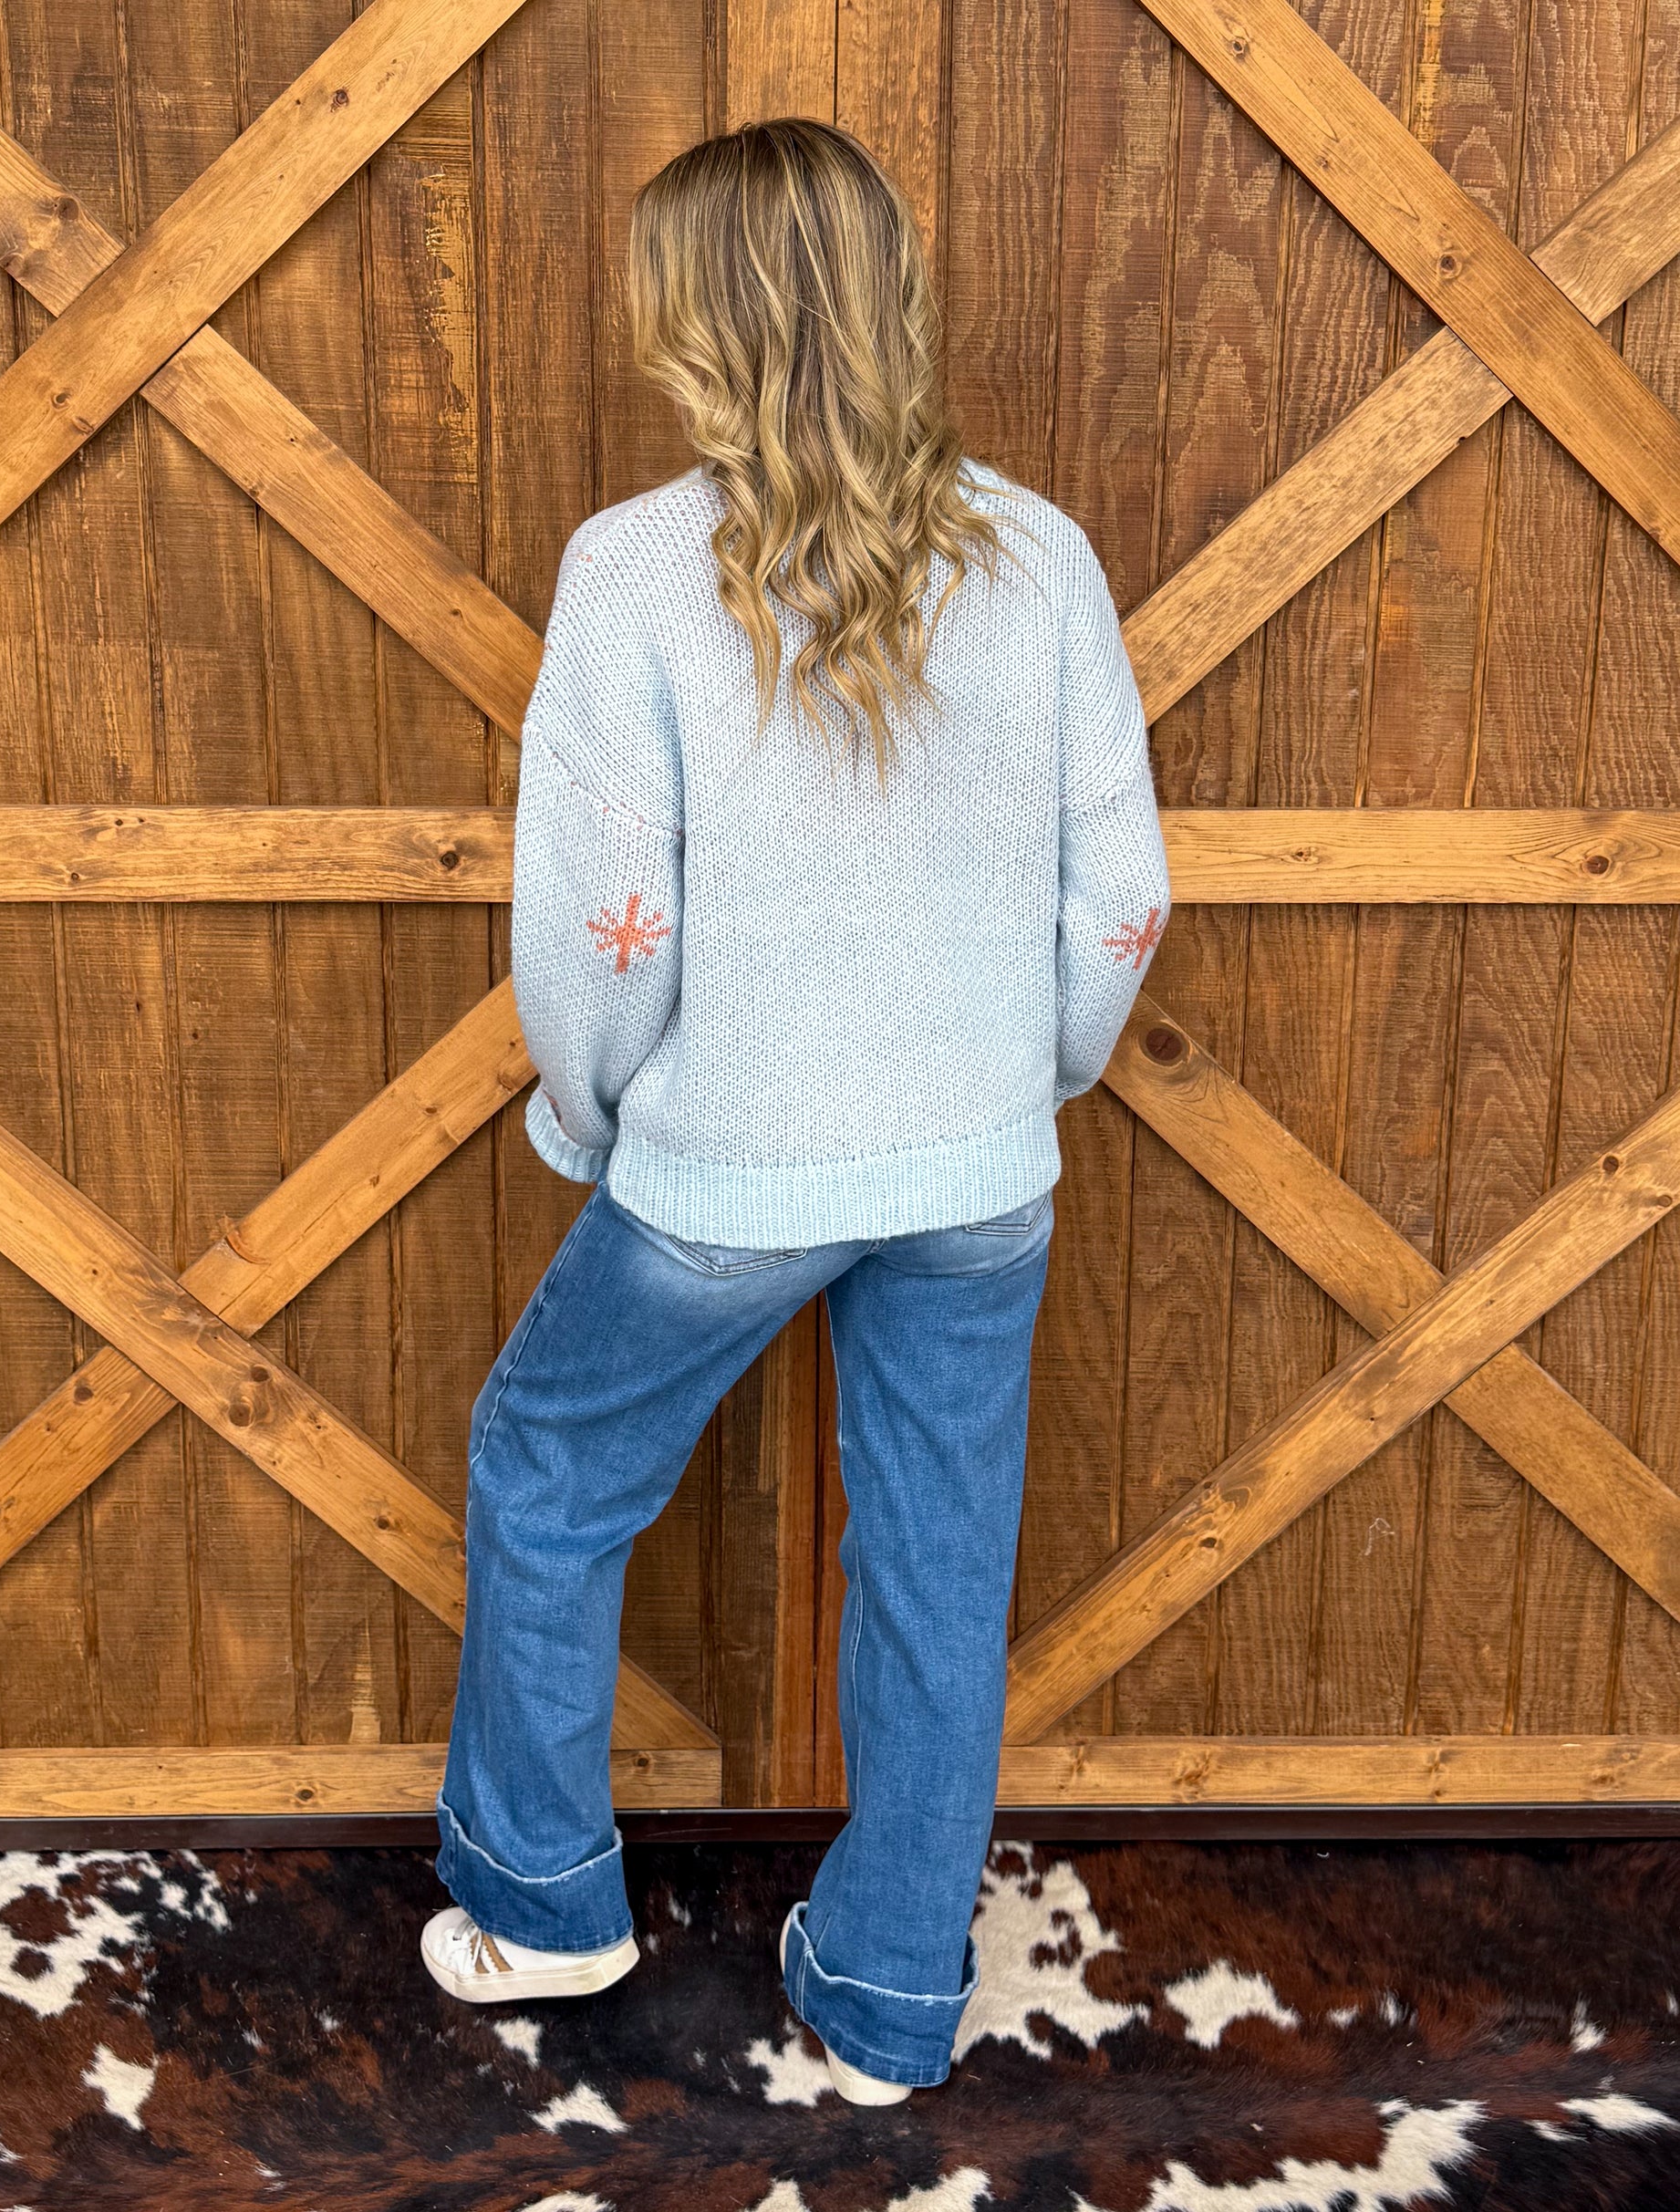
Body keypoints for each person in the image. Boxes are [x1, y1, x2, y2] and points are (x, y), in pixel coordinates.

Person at [420, 116, 1170, 2104]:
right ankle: (890, 1994)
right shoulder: (1040, 556)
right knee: (937, 1563)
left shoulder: (632, 571)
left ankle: (543, 1904)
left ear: (690, 318)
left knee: (546, 1473)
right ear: (893, 293)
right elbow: (1121, 893)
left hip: (721, 1171)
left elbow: (598, 931)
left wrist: (598, 1120)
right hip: (979, 1169)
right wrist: (1019, 1077)